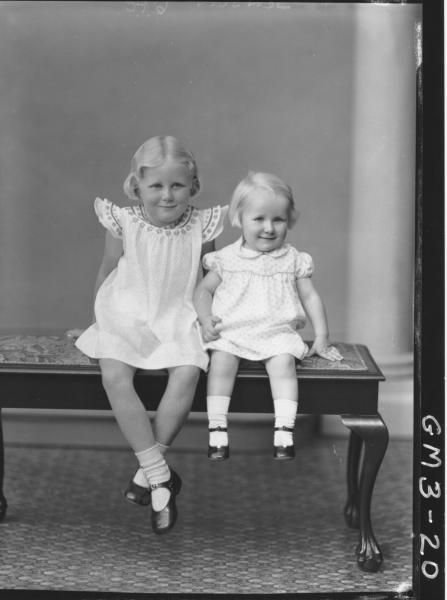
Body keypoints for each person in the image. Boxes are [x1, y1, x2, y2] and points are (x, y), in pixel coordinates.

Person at [73, 136, 227, 534]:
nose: (166, 195)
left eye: (177, 185)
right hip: (127, 310)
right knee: (114, 375)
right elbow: (107, 271)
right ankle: (159, 475)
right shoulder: (123, 220)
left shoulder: (202, 224)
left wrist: (209, 318)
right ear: (136, 186)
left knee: (188, 369)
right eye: (156, 186)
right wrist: (96, 320)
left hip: (178, 313)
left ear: (192, 186)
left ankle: (149, 474)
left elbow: (205, 282)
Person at [194, 171, 342, 462]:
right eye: (258, 219)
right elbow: (203, 291)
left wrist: (322, 335)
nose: (269, 228)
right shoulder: (226, 258)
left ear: (290, 221)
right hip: (232, 332)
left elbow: (310, 296)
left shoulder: (293, 259)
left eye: (278, 219)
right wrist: (205, 318)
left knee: (284, 362)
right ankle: (217, 430)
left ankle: (284, 432)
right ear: (239, 218)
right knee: (221, 361)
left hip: (276, 333)